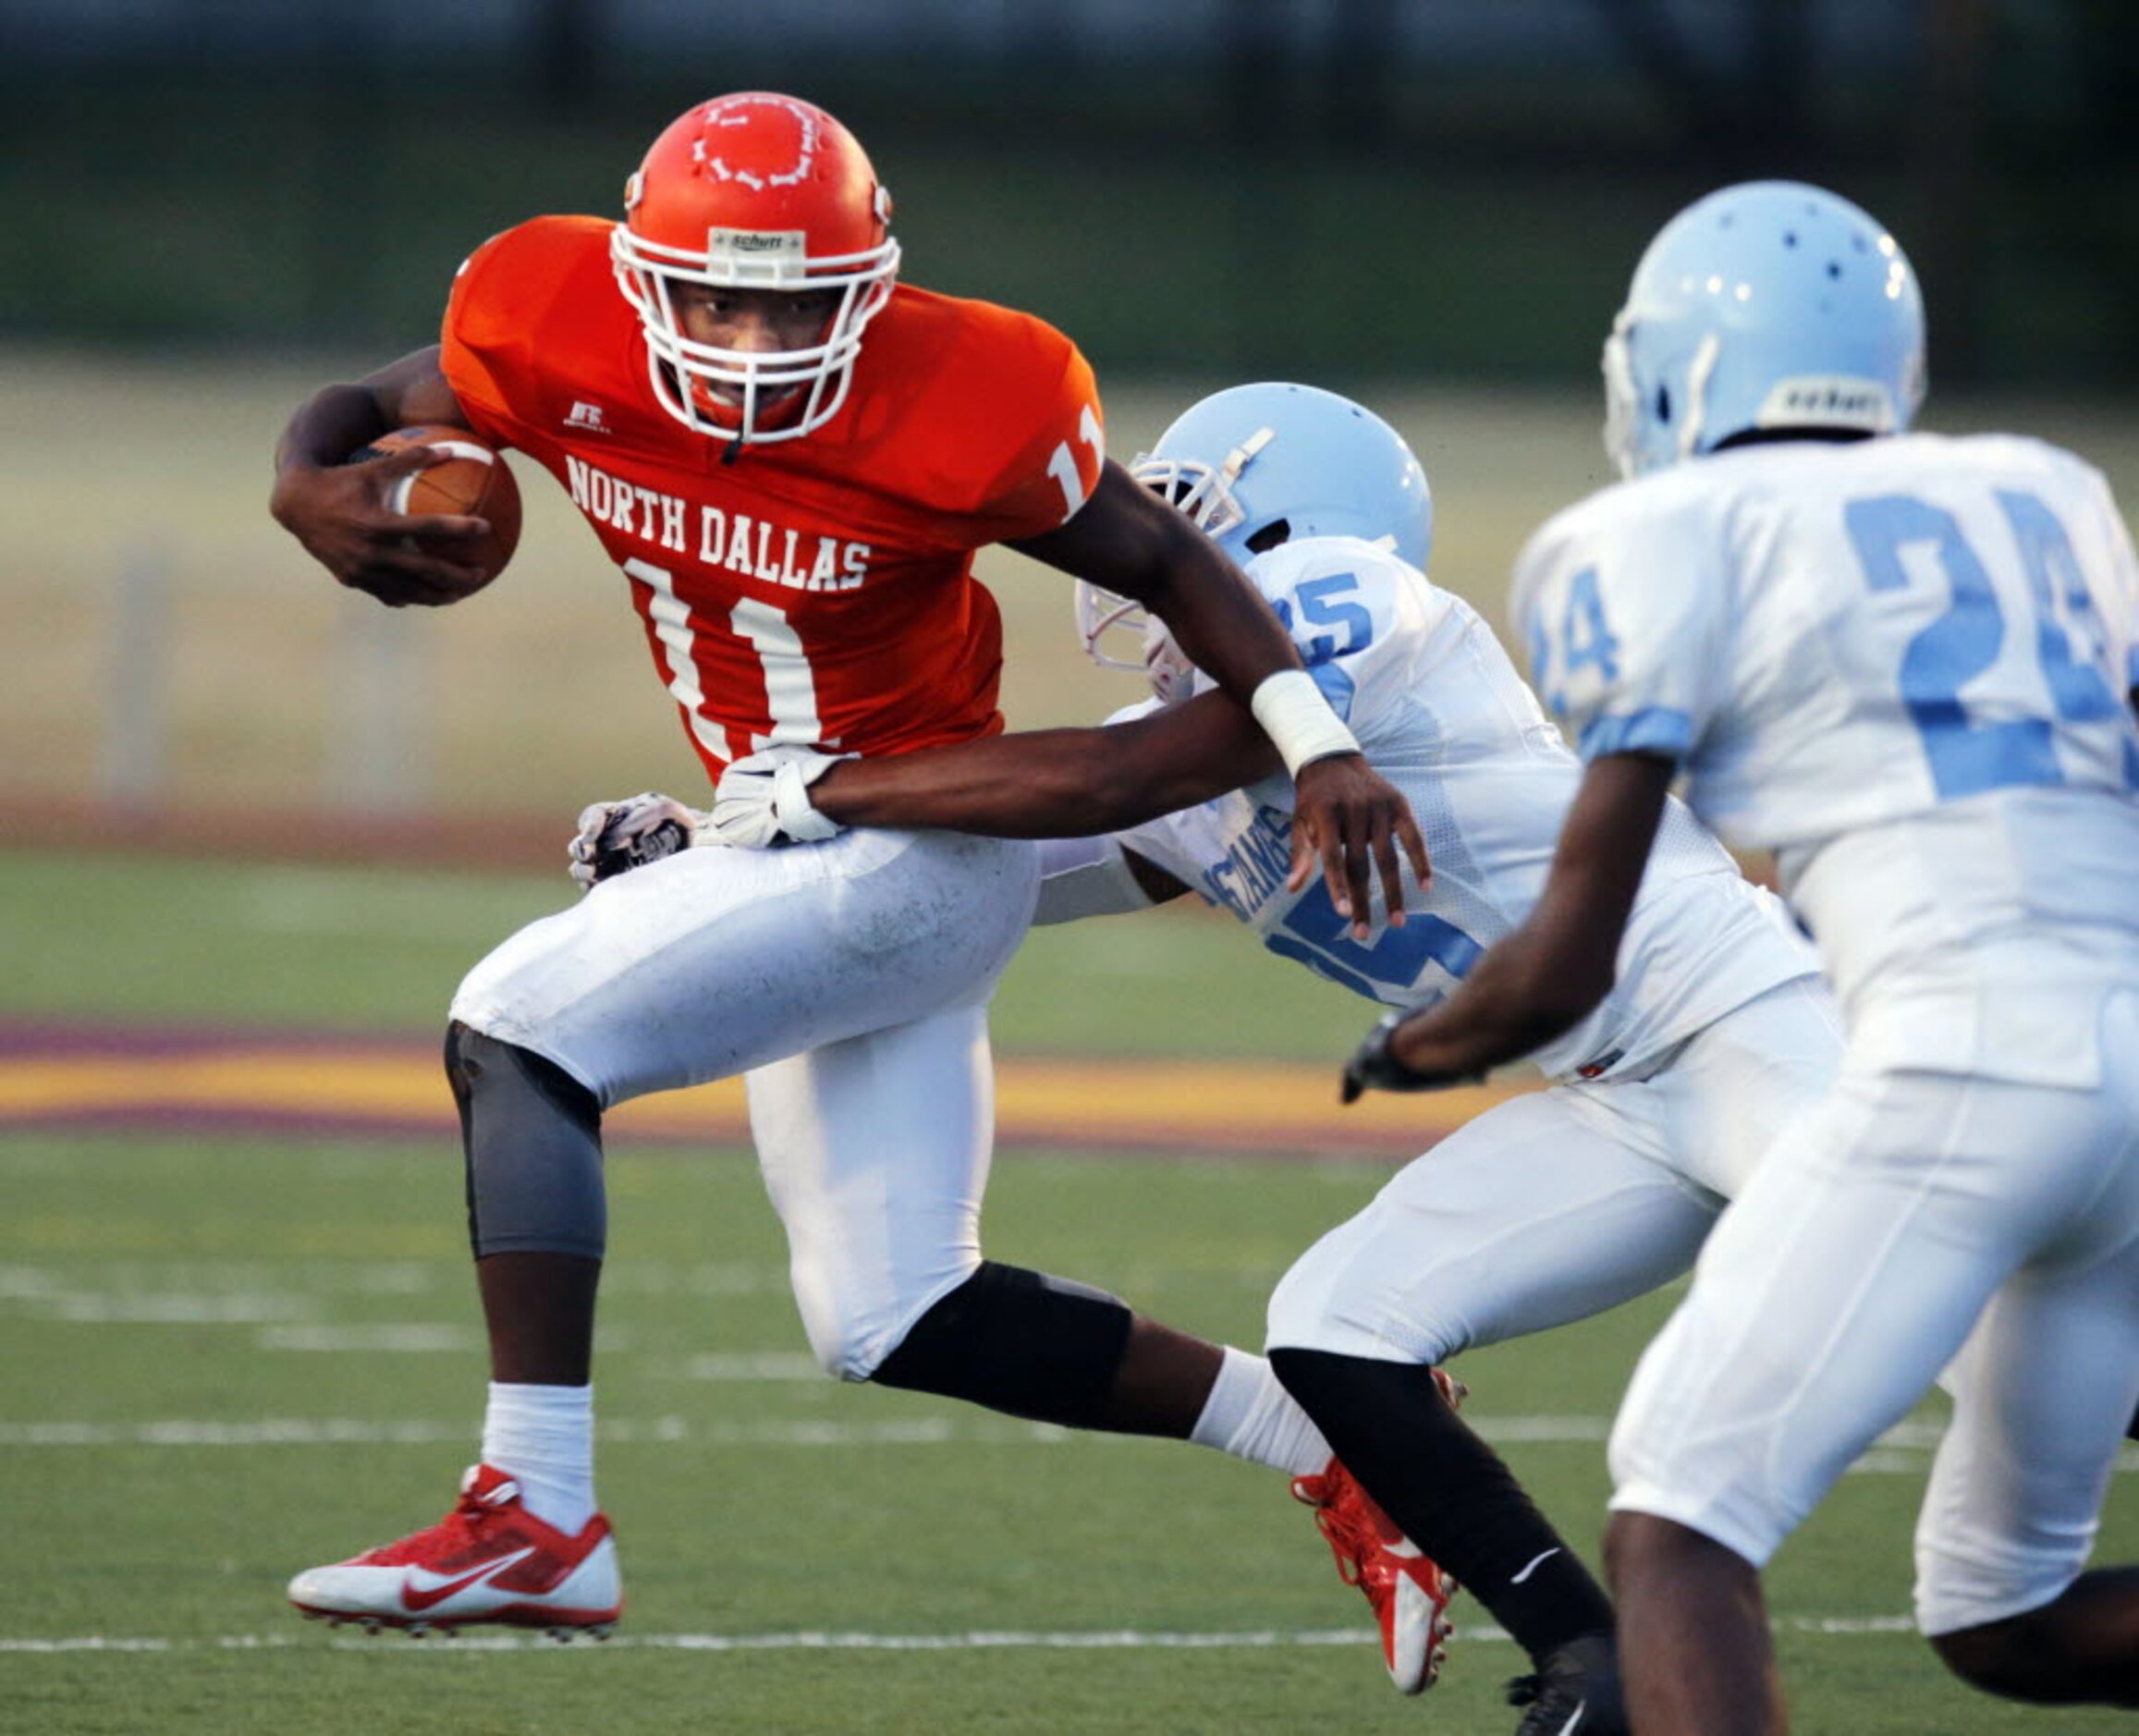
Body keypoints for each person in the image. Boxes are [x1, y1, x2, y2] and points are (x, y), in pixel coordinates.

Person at [265, 91, 1428, 1638]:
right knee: (894, 1312)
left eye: (793, 305)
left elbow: (1158, 556)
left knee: (517, 1024)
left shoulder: (971, 393)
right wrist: (300, 481)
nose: (749, 344)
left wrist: (1308, 736)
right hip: (799, 843)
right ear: (636, 280)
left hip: (901, 857)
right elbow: (369, 399)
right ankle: (1340, 1442)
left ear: (870, 288)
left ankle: (533, 1507)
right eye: (712, 301)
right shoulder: (547, 317)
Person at [619, 381, 1845, 1730]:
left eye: (1179, 512)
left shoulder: (1348, 594)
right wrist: (712, 849)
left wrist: (825, 786)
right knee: (1335, 1326)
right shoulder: (1194, 776)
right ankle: (1588, 1659)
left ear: (1277, 520)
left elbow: (1105, 778)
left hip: (1746, 1018)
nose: (1144, 545)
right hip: (1613, 1099)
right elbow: (966, 866)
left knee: (1973, 1296)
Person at [1341, 181, 2139, 1732]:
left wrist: (1423, 1042)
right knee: (2004, 1615)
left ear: (1674, 371)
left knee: (1678, 1519)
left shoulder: (1638, 536)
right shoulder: (2048, 491)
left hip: (1966, 1058)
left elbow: (1569, 957)